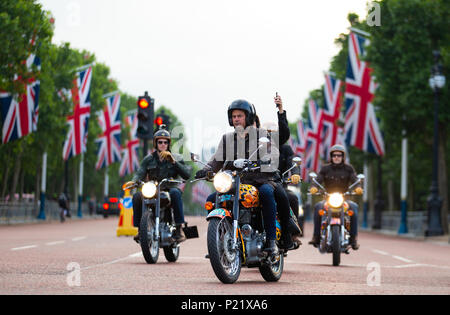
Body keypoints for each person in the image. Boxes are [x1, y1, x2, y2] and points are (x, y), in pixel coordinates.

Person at [196, 99, 288, 255]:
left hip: (261, 180)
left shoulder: (261, 135)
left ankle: (271, 241)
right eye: (234, 116)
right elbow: (217, 159)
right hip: (236, 182)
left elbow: (273, 153)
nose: (236, 119)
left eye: (239, 116)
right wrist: (205, 170)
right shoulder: (227, 139)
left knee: (266, 193)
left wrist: (265, 160)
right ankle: (218, 241)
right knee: (212, 199)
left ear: (248, 117)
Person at [131, 125, 191, 243]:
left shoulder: (176, 157)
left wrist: (173, 161)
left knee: (175, 193)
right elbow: (140, 172)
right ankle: (140, 230)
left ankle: (179, 229)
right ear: (155, 144)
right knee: (137, 196)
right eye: (160, 142)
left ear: (168, 144)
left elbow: (186, 175)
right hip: (154, 189)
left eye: (165, 142)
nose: (163, 144)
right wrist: (133, 182)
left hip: (170, 188)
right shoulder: (149, 159)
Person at [308, 144, 363, 250]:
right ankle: (316, 236)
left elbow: (355, 180)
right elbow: (318, 180)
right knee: (318, 207)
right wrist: (313, 187)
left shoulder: (348, 168)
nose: (336, 157)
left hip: (344, 199)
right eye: (334, 155)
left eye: (339, 155)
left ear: (343, 157)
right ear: (331, 156)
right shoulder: (325, 169)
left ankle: (353, 239)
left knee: (354, 207)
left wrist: (358, 187)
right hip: (328, 199)